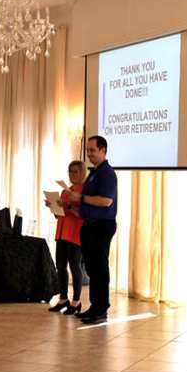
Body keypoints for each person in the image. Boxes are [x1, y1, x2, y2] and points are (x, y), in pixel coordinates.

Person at [65, 135, 117, 324]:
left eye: (92, 150)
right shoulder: (94, 173)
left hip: (101, 226)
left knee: (99, 269)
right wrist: (70, 205)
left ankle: (101, 309)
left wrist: (81, 198)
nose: (89, 154)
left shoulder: (107, 173)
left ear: (103, 151)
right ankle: (94, 307)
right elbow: (87, 203)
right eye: (88, 150)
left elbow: (106, 201)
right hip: (89, 226)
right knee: (93, 270)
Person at [48, 160, 86, 316]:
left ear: (83, 173)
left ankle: (76, 302)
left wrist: (68, 206)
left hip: (75, 233)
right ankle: (63, 299)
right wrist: (53, 206)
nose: (72, 175)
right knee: (61, 266)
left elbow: (83, 214)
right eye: (70, 172)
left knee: (75, 267)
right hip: (62, 232)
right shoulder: (66, 191)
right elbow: (59, 215)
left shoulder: (84, 192)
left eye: (75, 172)